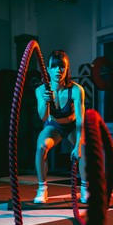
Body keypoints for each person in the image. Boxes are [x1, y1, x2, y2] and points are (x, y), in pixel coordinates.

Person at [34, 49, 88, 203]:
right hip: (54, 127)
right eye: (55, 66)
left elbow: (80, 120)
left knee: (84, 147)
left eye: (62, 67)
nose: (58, 70)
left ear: (66, 69)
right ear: (48, 69)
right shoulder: (40, 90)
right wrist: (46, 100)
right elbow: (43, 117)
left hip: (72, 126)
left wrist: (78, 145)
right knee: (41, 147)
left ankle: (85, 188)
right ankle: (42, 189)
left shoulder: (77, 90)